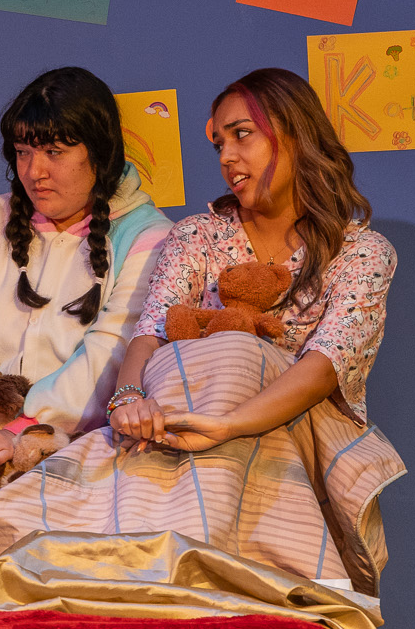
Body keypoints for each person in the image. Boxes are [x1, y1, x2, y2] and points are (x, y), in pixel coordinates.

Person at [107, 68, 395, 453]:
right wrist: (128, 402)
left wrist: (227, 426)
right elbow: (153, 332)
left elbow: (325, 367)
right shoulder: (197, 235)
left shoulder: (362, 253)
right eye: (218, 145)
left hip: (295, 447)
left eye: (242, 134)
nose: (226, 156)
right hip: (181, 432)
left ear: (297, 135)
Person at [0, 68, 171, 492]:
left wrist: (21, 431)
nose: (34, 172)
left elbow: (110, 355)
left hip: (79, 443)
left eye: (54, 151)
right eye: (22, 152)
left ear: (100, 153)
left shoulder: (150, 237)